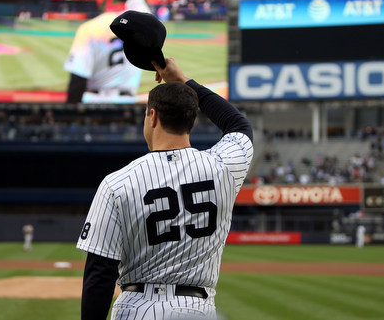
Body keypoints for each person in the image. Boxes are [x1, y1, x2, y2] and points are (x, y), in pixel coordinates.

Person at [76, 57, 254, 320]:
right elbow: (238, 125)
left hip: (137, 308)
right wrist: (183, 82)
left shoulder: (117, 183)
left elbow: (100, 274)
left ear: (153, 115)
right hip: (199, 310)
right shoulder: (223, 167)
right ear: (191, 119)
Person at [63, 0, 147, 104]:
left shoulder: (89, 28)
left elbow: (77, 83)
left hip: (94, 104)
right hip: (128, 104)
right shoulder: (142, 23)